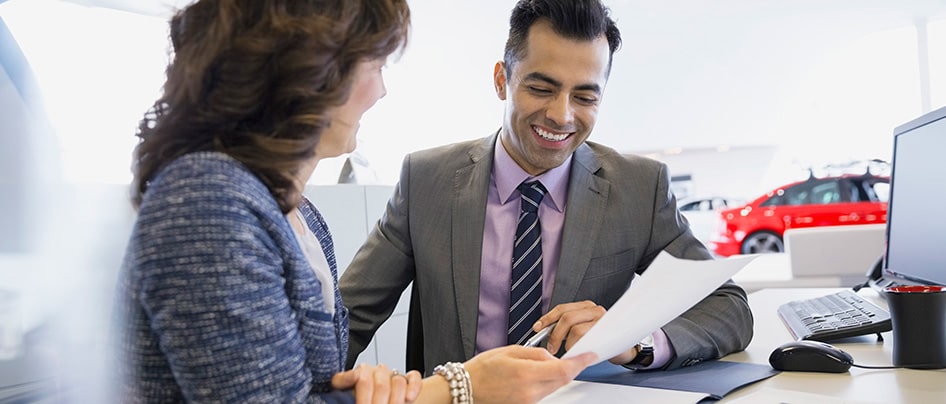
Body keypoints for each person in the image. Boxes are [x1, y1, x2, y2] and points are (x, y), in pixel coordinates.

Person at [110, 0, 597, 403]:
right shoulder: (208, 204)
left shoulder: (299, 214)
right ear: (307, 71)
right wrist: (455, 389)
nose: (380, 91)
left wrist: (378, 391)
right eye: (375, 64)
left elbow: (314, 387)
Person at [339, 0, 754, 375]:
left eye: (586, 97)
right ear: (502, 80)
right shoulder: (426, 180)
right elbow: (345, 322)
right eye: (541, 88)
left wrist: (635, 343)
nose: (562, 115)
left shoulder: (639, 190)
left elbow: (729, 308)